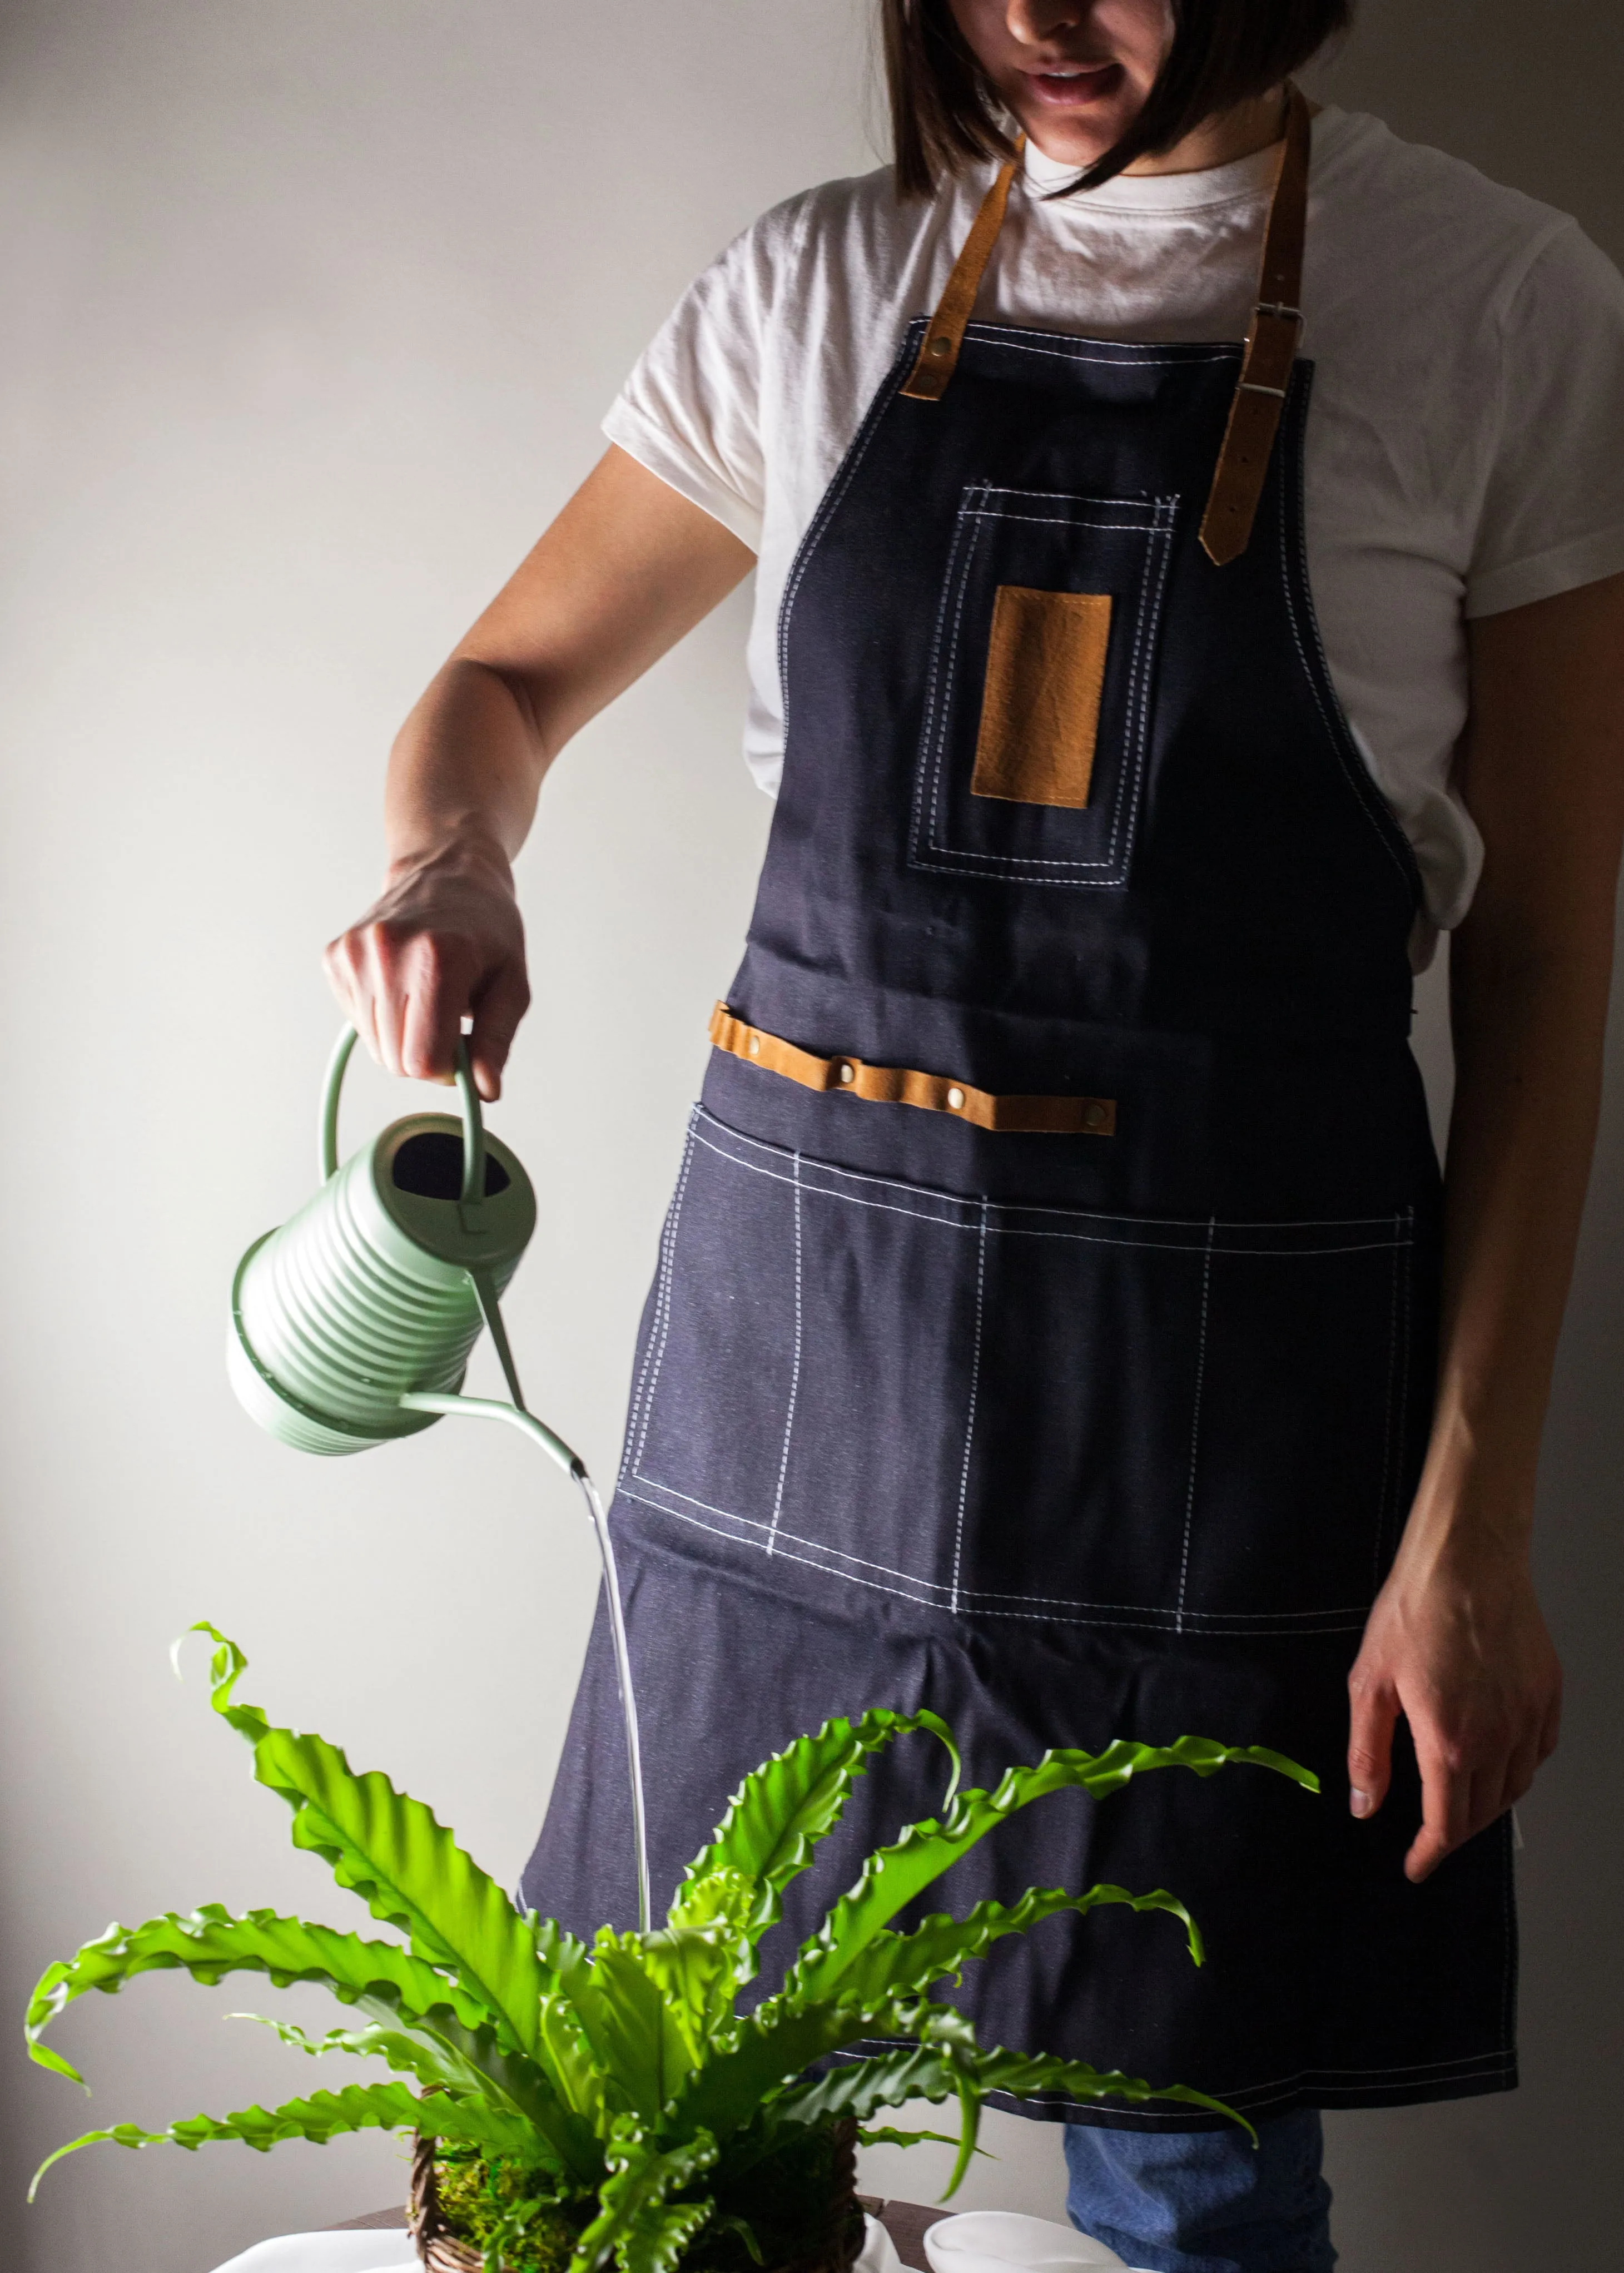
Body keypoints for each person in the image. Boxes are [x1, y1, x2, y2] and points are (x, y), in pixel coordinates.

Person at [325, 4, 1624, 2266]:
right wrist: (453, 856)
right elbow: (496, 693)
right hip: (804, 1371)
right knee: (675, 2157)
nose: (1029, 14)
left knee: (1189, 2178)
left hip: (1216, 1419)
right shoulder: (808, 289)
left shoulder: (1503, 310)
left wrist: (1470, 1528)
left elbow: (1542, 967)